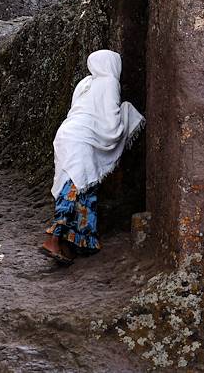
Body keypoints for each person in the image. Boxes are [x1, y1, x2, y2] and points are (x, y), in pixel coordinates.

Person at [40, 49, 144, 265]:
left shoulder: (84, 83)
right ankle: (52, 239)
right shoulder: (109, 83)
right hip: (82, 139)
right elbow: (111, 121)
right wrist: (129, 117)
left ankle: (77, 243)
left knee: (74, 186)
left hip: (66, 134)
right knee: (74, 189)